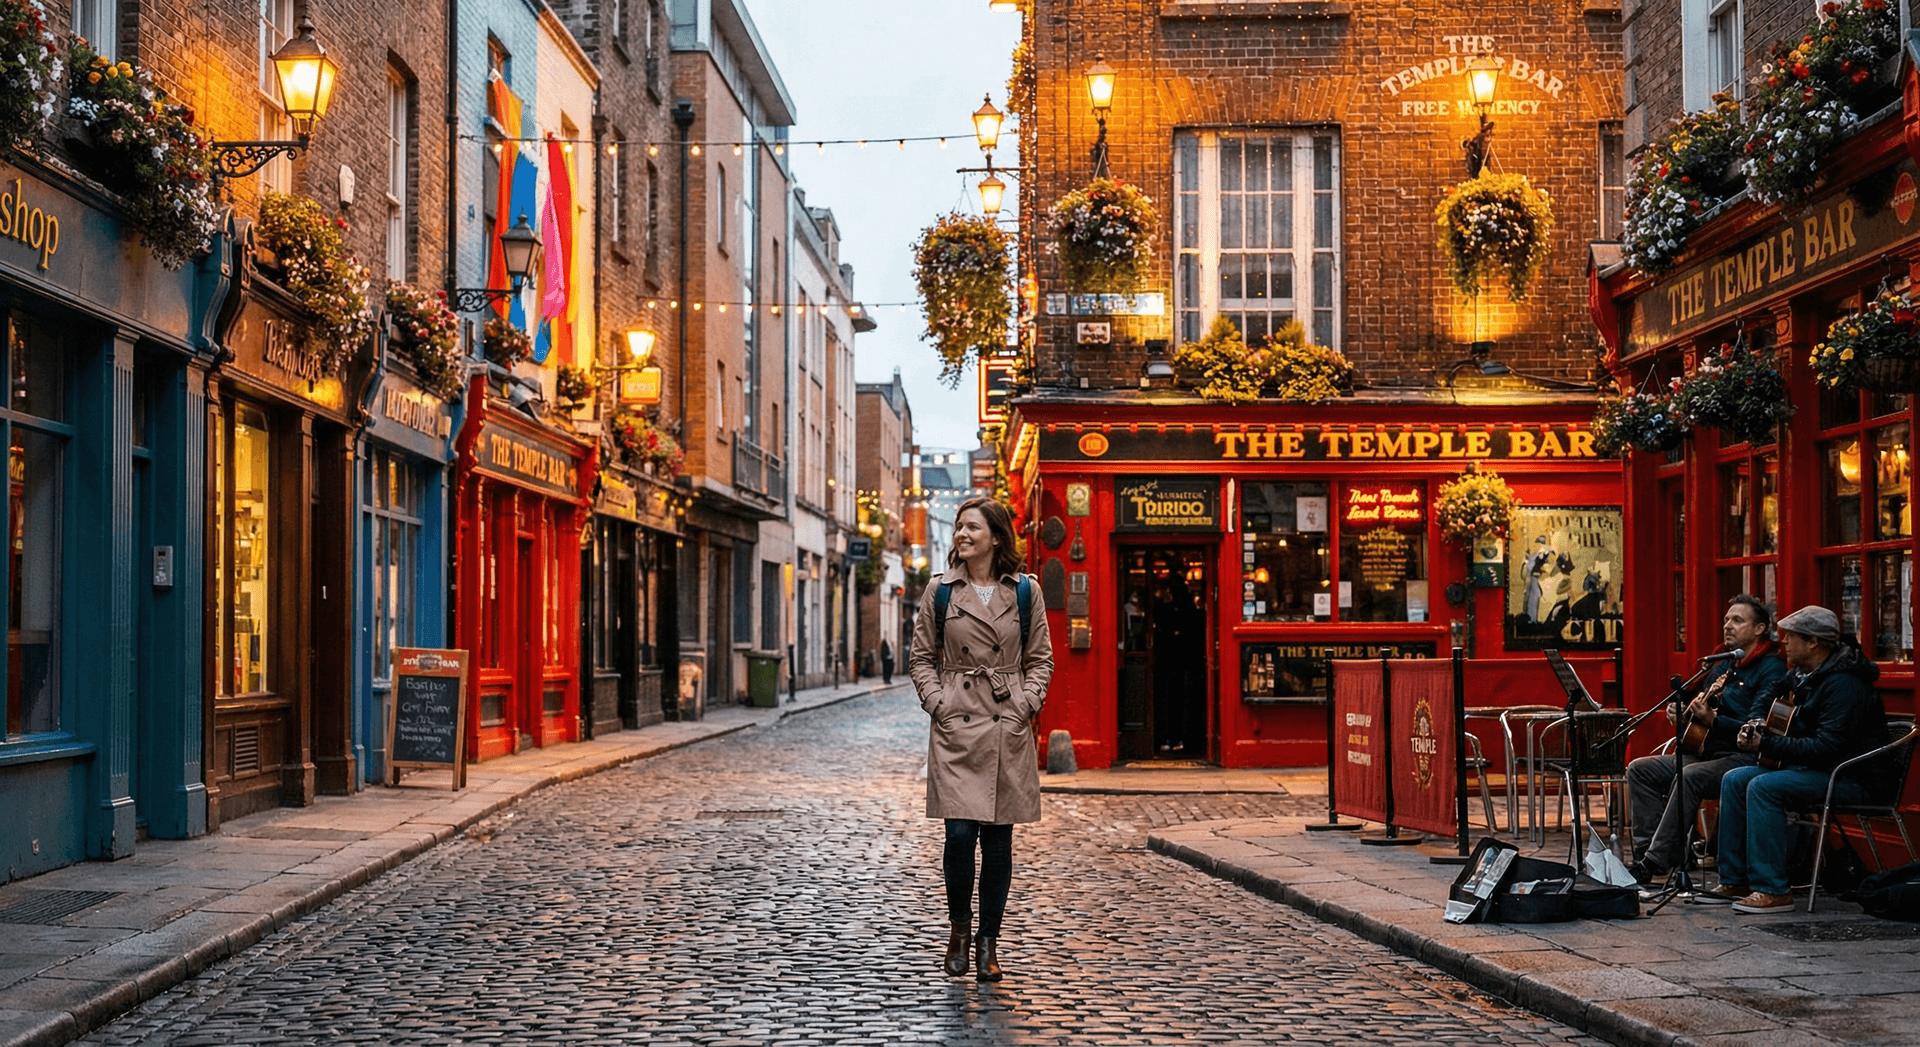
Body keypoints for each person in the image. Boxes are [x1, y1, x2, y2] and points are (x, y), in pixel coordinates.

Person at [907, 496, 1053, 982]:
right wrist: (938, 703)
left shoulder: (1026, 592)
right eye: (957, 527)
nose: (961, 535)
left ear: (995, 536)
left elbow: (1041, 660)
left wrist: (1023, 706)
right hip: (957, 726)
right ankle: (959, 932)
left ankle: (990, 941)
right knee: (959, 835)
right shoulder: (941, 591)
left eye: (971, 527)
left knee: (997, 839)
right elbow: (921, 658)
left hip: (1004, 723)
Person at [1697, 605, 1889, 915]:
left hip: (1852, 778)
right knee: (1734, 779)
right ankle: (1735, 879)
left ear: (1813, 642)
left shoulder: (1844, 684)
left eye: (1791, 638)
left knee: (1763, 786)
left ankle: (1773, 889)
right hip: (1818, 770)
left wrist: (1769, 743)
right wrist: (1756, 719)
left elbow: (1827, 747)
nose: (1783, 643)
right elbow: (1773, 689)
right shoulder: (1805, 674)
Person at [1624, 596, 1787, 885]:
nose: (1728, 626)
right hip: (1708, 752)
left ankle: (1656, 861)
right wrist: (1680, 709)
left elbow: (1756, 728)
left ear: (1760, 628)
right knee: (1640, 768)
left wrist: (1714, 721)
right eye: (1726, 620)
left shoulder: (1770, 669)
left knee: (1689, 775)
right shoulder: (1723, 662)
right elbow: (1694, 697)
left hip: (1743, 757)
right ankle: (1645, 855)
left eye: (1738, 620)